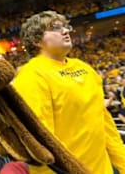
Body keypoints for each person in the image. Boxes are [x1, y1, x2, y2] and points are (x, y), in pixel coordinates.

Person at [12, 10, 125, 174]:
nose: (65, 31)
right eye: (55, 28)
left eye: (65, 27)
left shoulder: (83, 67)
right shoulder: (31, 76)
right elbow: (40, 144)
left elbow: (105, 124)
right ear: (36, 40)